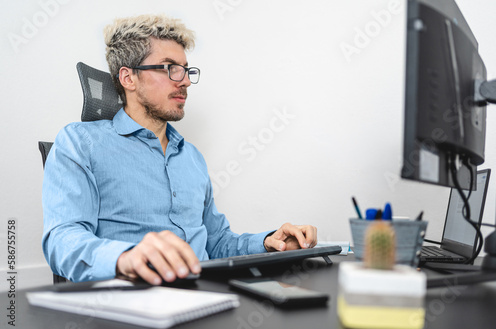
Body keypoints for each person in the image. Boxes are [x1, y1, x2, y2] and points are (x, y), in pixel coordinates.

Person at [42, 14, 317, 285]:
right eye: (169, 68)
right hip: (132, 306)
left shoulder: (191, 157)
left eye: (186, 70)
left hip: (206, 297)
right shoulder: (80, 144)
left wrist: (270, 243)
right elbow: (62, 240)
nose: (184, 81)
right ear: (128, 78)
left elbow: (216, 242)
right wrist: (125, 258)